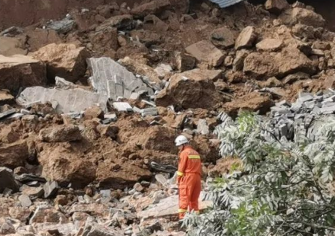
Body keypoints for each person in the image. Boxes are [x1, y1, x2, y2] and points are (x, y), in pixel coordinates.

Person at [174, 135, 202, 219]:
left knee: (184, 198)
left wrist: (178, 180)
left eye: (179, 146)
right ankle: (195, 219)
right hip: (197, 177)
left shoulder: (184, 153)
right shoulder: (196, 153)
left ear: (183, 145)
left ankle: (182, 220)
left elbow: (181, 169)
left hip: (188, 177)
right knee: (194, 200)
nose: (179, 148)